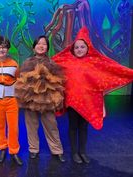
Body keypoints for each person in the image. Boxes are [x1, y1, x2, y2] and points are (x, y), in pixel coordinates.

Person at [52, 26, 133, 164]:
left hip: (88, 101)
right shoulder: (66, 61)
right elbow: (51, 64)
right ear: (72, 48)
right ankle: (74, 153)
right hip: (72, 101)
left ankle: (82, 151)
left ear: (88, 47)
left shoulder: (94, 62)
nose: (79, 50)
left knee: (83, 127)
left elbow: (112, 69)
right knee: (73, 126)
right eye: (76, 47)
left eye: (82, 47)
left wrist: (128, 73)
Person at [15, 36, 65, 162]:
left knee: (51, 125)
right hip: (30, 99)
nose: (41, 46)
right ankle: (33, 149)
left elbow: (58, 81)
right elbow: (22, 79)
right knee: (31, 124)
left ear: (47, 47)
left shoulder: (52, 63)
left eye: (44, 44)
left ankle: (57, 150)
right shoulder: (27, 62)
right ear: (34, 47)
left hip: (47, 99)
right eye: (38, 43)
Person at [0, 36, 23, 166]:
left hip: (12, 100)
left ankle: (14, 151)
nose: (1, 49)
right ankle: (2, 148)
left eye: (4, 47)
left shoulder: (13, 63)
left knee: (13, 127)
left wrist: (20, 91)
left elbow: (18, 79)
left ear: (7, 48)